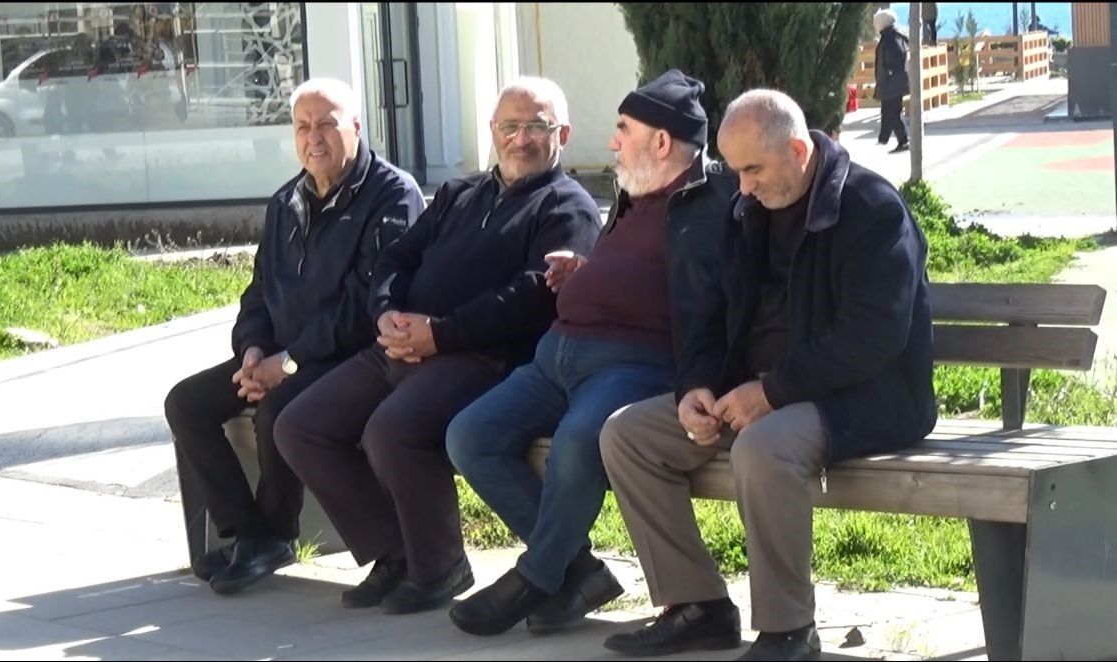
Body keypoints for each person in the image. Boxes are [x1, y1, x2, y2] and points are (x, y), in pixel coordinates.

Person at [599, 89, 936, 660]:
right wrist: (696, 386)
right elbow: (708, 313)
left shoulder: (871, 208)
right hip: (759, 394)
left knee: (761, 447)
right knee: (627, 436)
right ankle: (697, 607)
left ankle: (788, 630)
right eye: (735, 171)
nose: (743, 185)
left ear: (798, 151)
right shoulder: (746, 208)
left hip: (866, 398)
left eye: (753, 169)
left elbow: (873, 337)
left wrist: (773, 392)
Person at [274, 76, 601, 616]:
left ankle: (440, 565)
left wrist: (440, 333)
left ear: (561, 134)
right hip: (401, 346)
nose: (520, 139)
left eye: (536, 127)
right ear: (492, 130)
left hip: (484, 357)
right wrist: (386, 313)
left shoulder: (568, 207)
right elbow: (396, 258)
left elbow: (532, 297)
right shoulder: (459, 194)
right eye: (510, 126)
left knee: (392, 430)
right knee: (300, 425)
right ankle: (395, 553)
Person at [445, 69, 737, 637]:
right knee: (469, 436)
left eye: (623, 130)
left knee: (580, 439)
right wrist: (587, 272)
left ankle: (536, 575)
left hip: (634, 364)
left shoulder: (709, 204)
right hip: (556, 356)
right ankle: (577, 570)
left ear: (661, 141)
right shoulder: (633, 193)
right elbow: (635, 268)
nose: (612, 142)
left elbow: (711, 296)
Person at [165, 77, 424, 596]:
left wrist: (286, 362)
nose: (314, 137)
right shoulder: (286, 201)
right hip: (282, 353)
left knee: (278, 410)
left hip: (351, 357)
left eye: (327, 124)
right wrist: (253, 350)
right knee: (186, 404)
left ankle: (278, 533)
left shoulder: (393, 195)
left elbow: (364, 305)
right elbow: (259, 292)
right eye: (303, 127)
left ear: (356, 127)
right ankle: (250, 533)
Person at [873, 8, 910, 153]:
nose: (875, 25)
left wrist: (890, 72)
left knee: (893, 113)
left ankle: (903, 140)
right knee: (888, 111)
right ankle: (884, 138)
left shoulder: (891, 38)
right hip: (890, 83)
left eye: (876, 22)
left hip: (892, 83)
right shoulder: (889, 36)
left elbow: (897, 57)